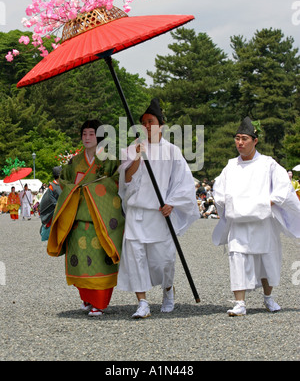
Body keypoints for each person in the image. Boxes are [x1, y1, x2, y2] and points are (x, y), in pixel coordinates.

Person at [117, 98, 200, 318]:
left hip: (160, 215)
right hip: (137, 213)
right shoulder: (132, 148)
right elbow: (125, 180)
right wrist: (137, 156)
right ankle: (142, 302)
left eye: (150, 121)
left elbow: (184, 182)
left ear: (161, 125)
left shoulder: (172, 151)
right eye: (143, 122)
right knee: (136, 259)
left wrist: (171, 202)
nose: (146, 126)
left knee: (163, 260)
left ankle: (168, 290)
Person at [212, 117, 300, 316]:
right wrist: (227, 204)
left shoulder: (268, 164)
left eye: (244, 138)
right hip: (238, 222)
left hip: (262, 220)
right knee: (237, 258)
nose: (240, 143)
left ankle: (268, 298)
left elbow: (283, 189)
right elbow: (219, 190)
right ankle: (240, 302)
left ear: (255, 140)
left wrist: (265, 203)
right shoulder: (230, 166)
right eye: (237, 138)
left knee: (266, 258)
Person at [47, 119, 124, 317]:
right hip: (77, 218)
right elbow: (64, 182)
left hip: (101, 219)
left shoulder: (109, 159)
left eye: (91, 134)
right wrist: (74, 188)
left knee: (100, 260)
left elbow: (117, 182)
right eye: (84, 134)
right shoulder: (74, 162)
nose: (87, 138)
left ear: (98, 137)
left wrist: (93, 188)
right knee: (80, 261)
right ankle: (87, 300)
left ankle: (100, 303)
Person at [39, 167, 62, 241]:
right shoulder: (52, 187)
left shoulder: (62, 185)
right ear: (59, 175)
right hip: (56, 211)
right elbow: (52, 201)